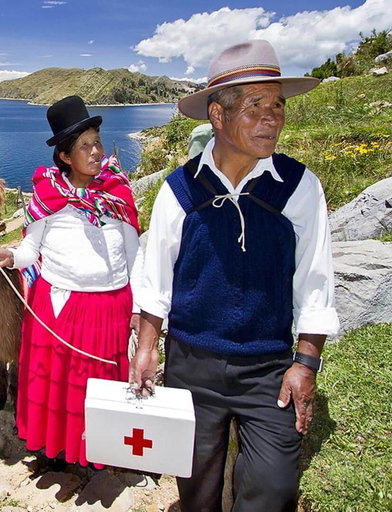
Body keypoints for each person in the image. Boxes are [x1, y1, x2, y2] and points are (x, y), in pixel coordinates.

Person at [129, 40, 340, 511]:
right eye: (255, 106)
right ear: (218, 117)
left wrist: (305, 363)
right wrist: (146, 349)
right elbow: (156, 276)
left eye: (278, 105)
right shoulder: (180, 190)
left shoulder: (299, 187)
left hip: (267, 368)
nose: (273, 117)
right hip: (191, 363)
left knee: (272, 488)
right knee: (197, 487)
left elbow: (315, 279)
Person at [0, 95, 143, 467]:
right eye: (84, 146)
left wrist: (138, 306)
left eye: (97, 142)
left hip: (109, 308)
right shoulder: (47, 194)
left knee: (100, 385)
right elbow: (30, 250)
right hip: (60, 308)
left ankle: (101, 450)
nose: (96, 151)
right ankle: (64, 453)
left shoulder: (117, 191)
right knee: (63, 391)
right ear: (66, 157)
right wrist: (10, 255)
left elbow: (135, 254)